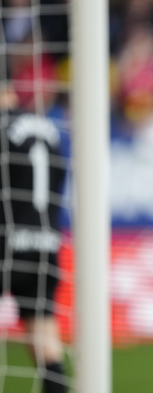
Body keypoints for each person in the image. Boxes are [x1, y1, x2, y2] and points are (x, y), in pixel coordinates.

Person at [0, 86, 68, 393]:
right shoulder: (48, 131)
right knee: (42, 331)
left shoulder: (3, 128)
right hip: (44, 243)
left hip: (6, 240)